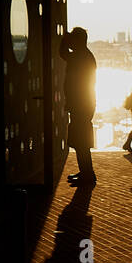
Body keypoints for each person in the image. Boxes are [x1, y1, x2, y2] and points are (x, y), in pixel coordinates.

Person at [59, 27, 97, 186]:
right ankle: (86, 172)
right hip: (84, 104)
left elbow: (63, 54)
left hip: (80, 105)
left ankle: (88, 175)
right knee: (81, 141)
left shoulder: (80, 57)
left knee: (81, 141)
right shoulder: (84, 55)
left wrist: (63, 40)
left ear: (77, 41)